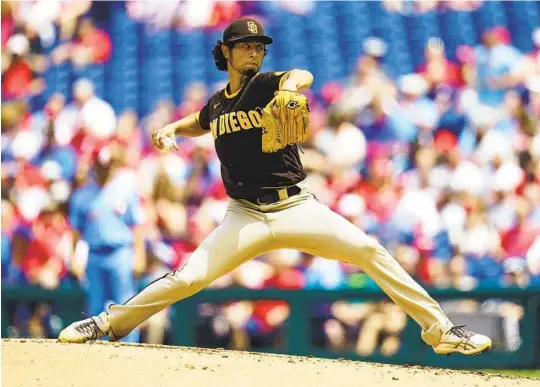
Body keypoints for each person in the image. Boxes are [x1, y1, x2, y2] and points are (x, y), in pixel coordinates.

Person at [59, 17, 492, 356]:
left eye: (259, 46)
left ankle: (442, 331)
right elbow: (203, 120)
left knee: (369, 251)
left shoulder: (267, 84)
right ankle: (106, 324)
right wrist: (173, 126)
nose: (254, 52)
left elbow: (300, 74)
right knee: (186, 277)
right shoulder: (219, 102)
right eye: (245, 45)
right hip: (243, 214)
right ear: (225, 52)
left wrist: (288, 85)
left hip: (295, 207)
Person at [66, 142, 146, 343]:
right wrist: (74, 257)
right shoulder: (83, 195)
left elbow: (137, 226)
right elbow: (75, 231)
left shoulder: (125, 190)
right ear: (93, 165)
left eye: (108, 165)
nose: (104, 169)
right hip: (94, 254)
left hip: (120, 253)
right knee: (96, 307)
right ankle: (97, 352)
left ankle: (130, 348)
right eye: (100, 165)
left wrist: (139, 255)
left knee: (125, 306)